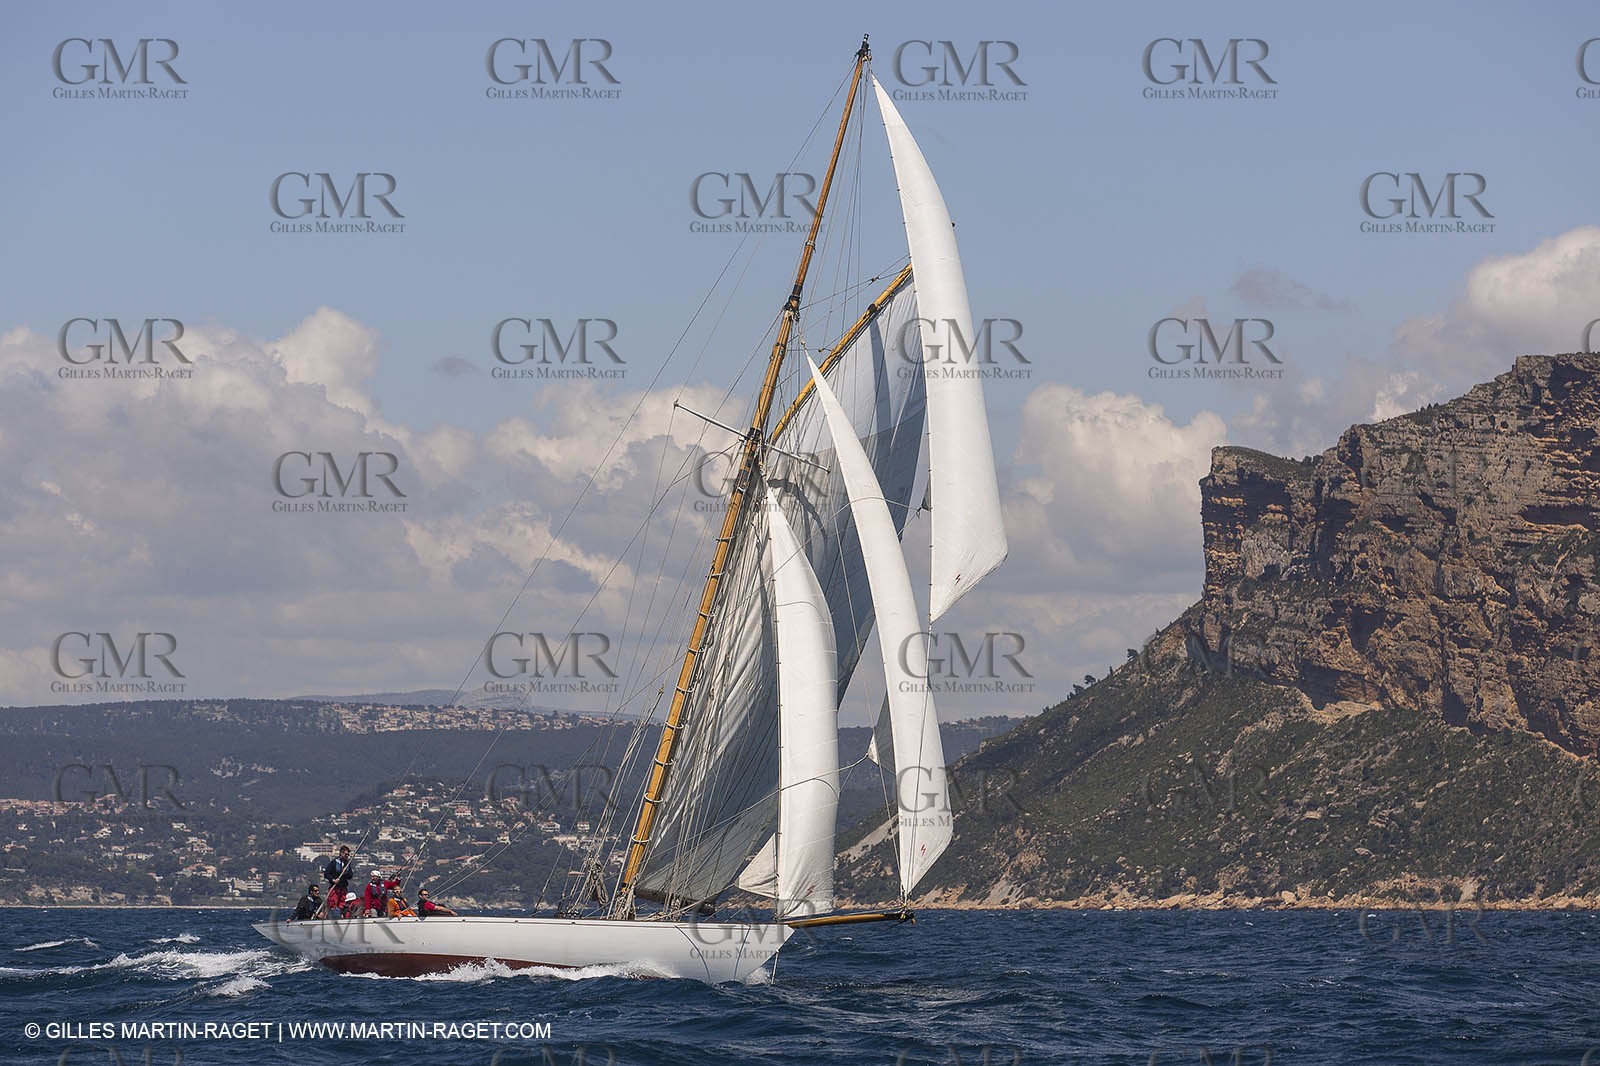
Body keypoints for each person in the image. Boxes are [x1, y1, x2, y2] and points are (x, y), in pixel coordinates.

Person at [322, 845, 354, 911]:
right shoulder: (334, 863)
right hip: (335, 888)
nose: (347, 856)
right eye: (346, 854)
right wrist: (333, 880)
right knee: (333, 904)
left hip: (343, 888)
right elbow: (326, 873)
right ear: (341, 853)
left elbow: (350, 875)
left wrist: (345, 872)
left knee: (342, 904)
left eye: (348, 855)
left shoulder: (347, 864)